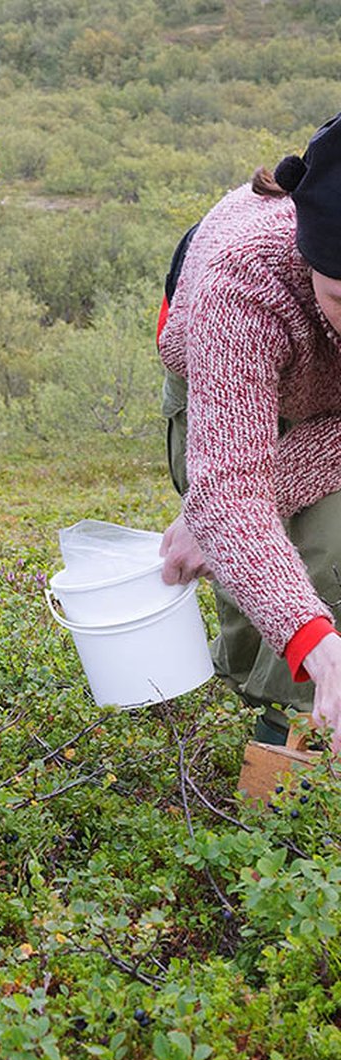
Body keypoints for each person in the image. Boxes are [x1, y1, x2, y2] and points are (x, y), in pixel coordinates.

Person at [156, 111, 341, 753]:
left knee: (287, 532)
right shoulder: (246, 285)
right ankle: (283, 739)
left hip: (322, 387)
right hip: (220, 366)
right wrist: (222, 504)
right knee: (305, 550)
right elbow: (231, 488)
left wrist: (241, 503)